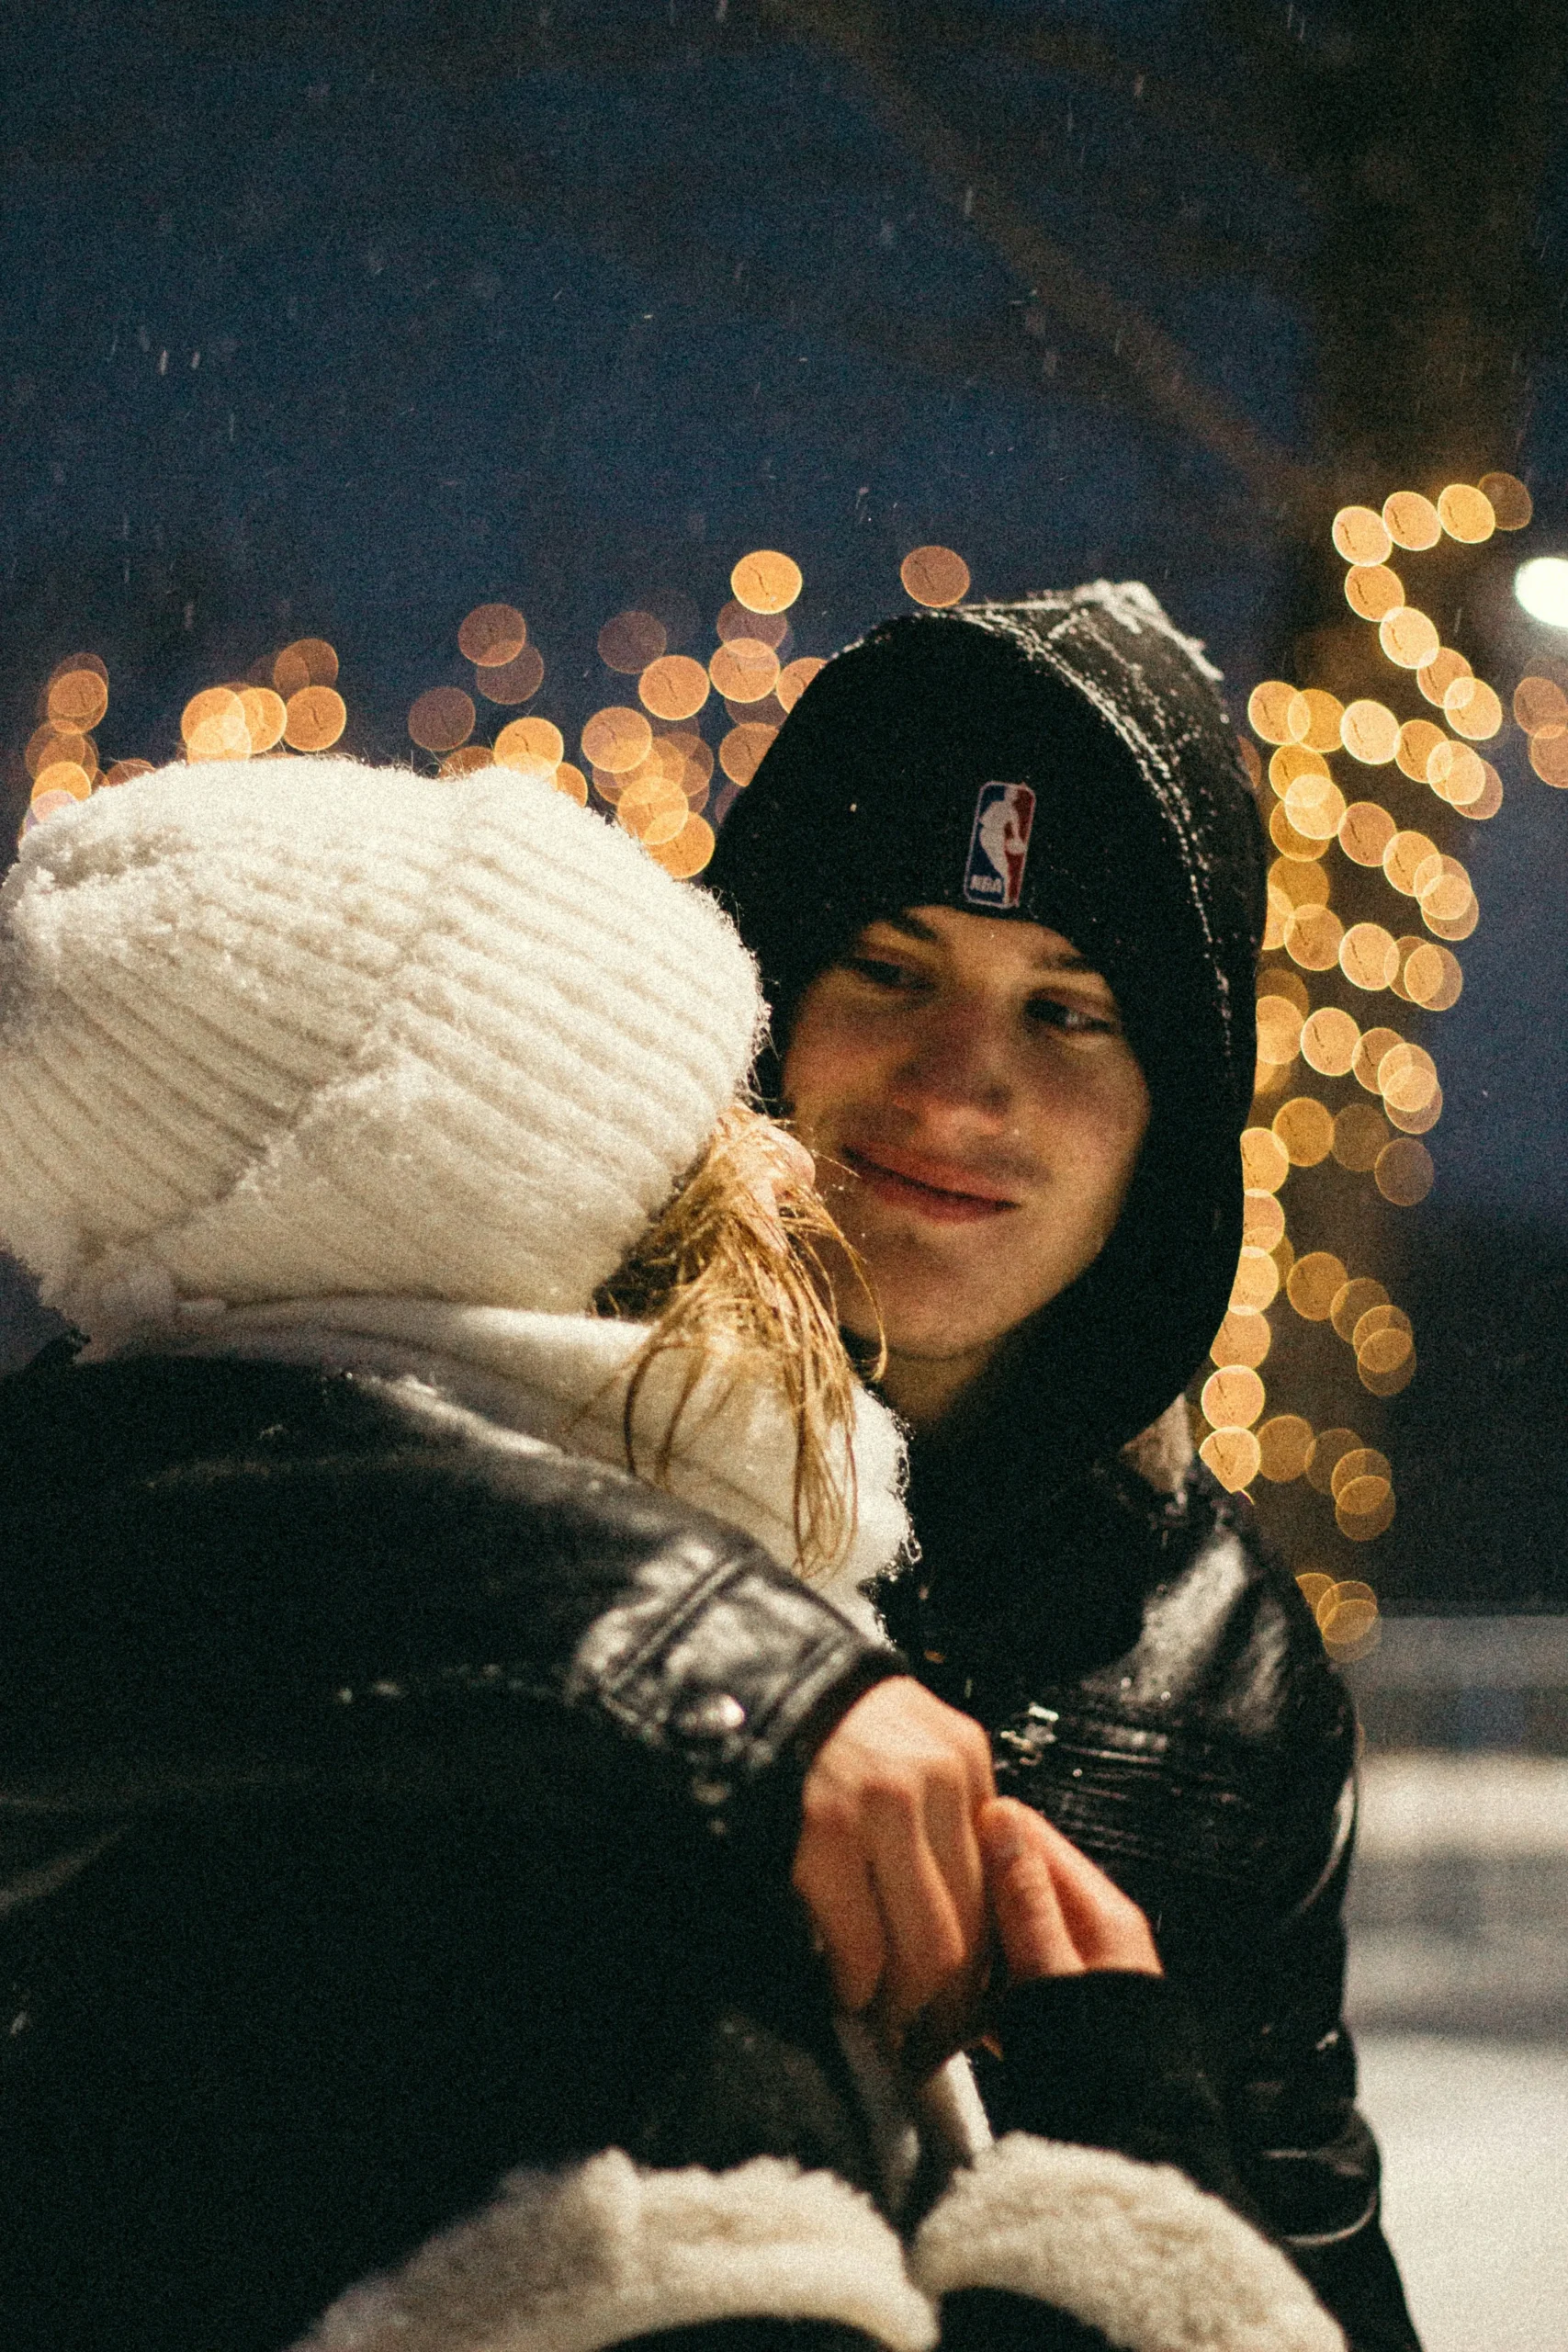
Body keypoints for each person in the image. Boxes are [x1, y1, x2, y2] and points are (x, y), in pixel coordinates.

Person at [0, 754, 1343, 2352]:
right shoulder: (570, 1929)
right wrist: (1130, 2195)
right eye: (691, 1125)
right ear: (509, 1214)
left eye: (1069, 1010)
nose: (784, 1165)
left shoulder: (249, 1655)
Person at [708, 581, 1423, 2352]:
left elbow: (1303, 2240)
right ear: (754, 1006)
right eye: (889, 971)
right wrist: (680, 1656)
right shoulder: (481, 1413)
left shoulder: (1220, 1658)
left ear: (1171, 1115)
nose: (960, 1089)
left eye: (1070, 1010)